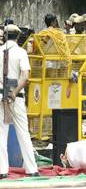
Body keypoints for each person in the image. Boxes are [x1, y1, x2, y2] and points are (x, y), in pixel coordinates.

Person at [0, 24, 39, 178]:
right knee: (23, 133)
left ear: (5, 36)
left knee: (1, 134)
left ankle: (2, 170)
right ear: (17, 36)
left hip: (1, 97)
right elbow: (25, 76)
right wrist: (14, 92)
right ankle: (32, 169)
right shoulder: (21, 52)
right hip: (16, 98)